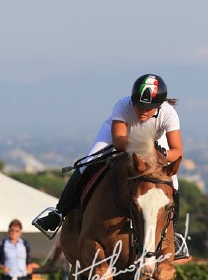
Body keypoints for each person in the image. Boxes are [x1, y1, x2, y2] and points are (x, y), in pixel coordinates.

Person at [33, 73, 188, 259]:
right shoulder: (122, 106)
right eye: (139, 105)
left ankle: (171, 235)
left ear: (159, 105)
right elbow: (119, 142)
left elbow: (177, 151)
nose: (143, 111)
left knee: (172, 182)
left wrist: (158, 154)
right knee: (88, 163)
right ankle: (59, 212)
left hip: (154, 144)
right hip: (122, 138)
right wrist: (146, 149)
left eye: (149, 108)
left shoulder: (168, 113)